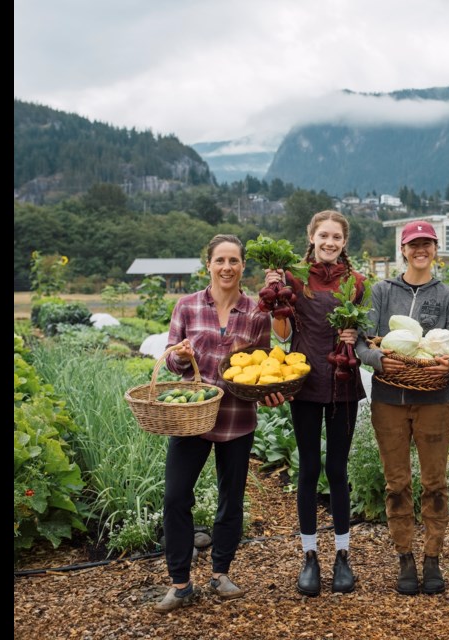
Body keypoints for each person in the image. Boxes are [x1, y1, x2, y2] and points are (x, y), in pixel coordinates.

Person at [155, 234, 286, 613]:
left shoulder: (258, 313)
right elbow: (170, 363)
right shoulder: (187, 306)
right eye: (220, 261)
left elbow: (263, 366)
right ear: (208, 265)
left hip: (237, 418)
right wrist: (180, 357)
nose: (226, 267)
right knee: (175, 496)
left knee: (231, 500)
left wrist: (270, 393)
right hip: (192, 418)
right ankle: (180, 583)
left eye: (234, 261)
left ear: (243, 266)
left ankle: (220, 573)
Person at [355, 220, 449, 596]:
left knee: (435, 484)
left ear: (435, 249)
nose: (420, 250)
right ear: (403, 249)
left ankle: (432, 558)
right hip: (388, 401)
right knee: (397, 484)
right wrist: (378, 359)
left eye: (427, 244)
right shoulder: (381, 291)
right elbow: (361, 342)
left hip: (434, 401)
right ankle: (405, 556)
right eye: (413, 244)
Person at [264, 210, 367, 596]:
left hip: (343, 383)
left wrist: (354, 333)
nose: (329, 242)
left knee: (338, 470)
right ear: (311, 237)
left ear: (344, 242)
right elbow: (283, 333)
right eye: (323, 235)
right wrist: (276, 298)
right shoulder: (292, 277)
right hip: (304, 383)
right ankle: (309, 557)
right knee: (308, 469)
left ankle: (343, 556)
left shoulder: (357, 283)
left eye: (336, 237)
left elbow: (365, 334)